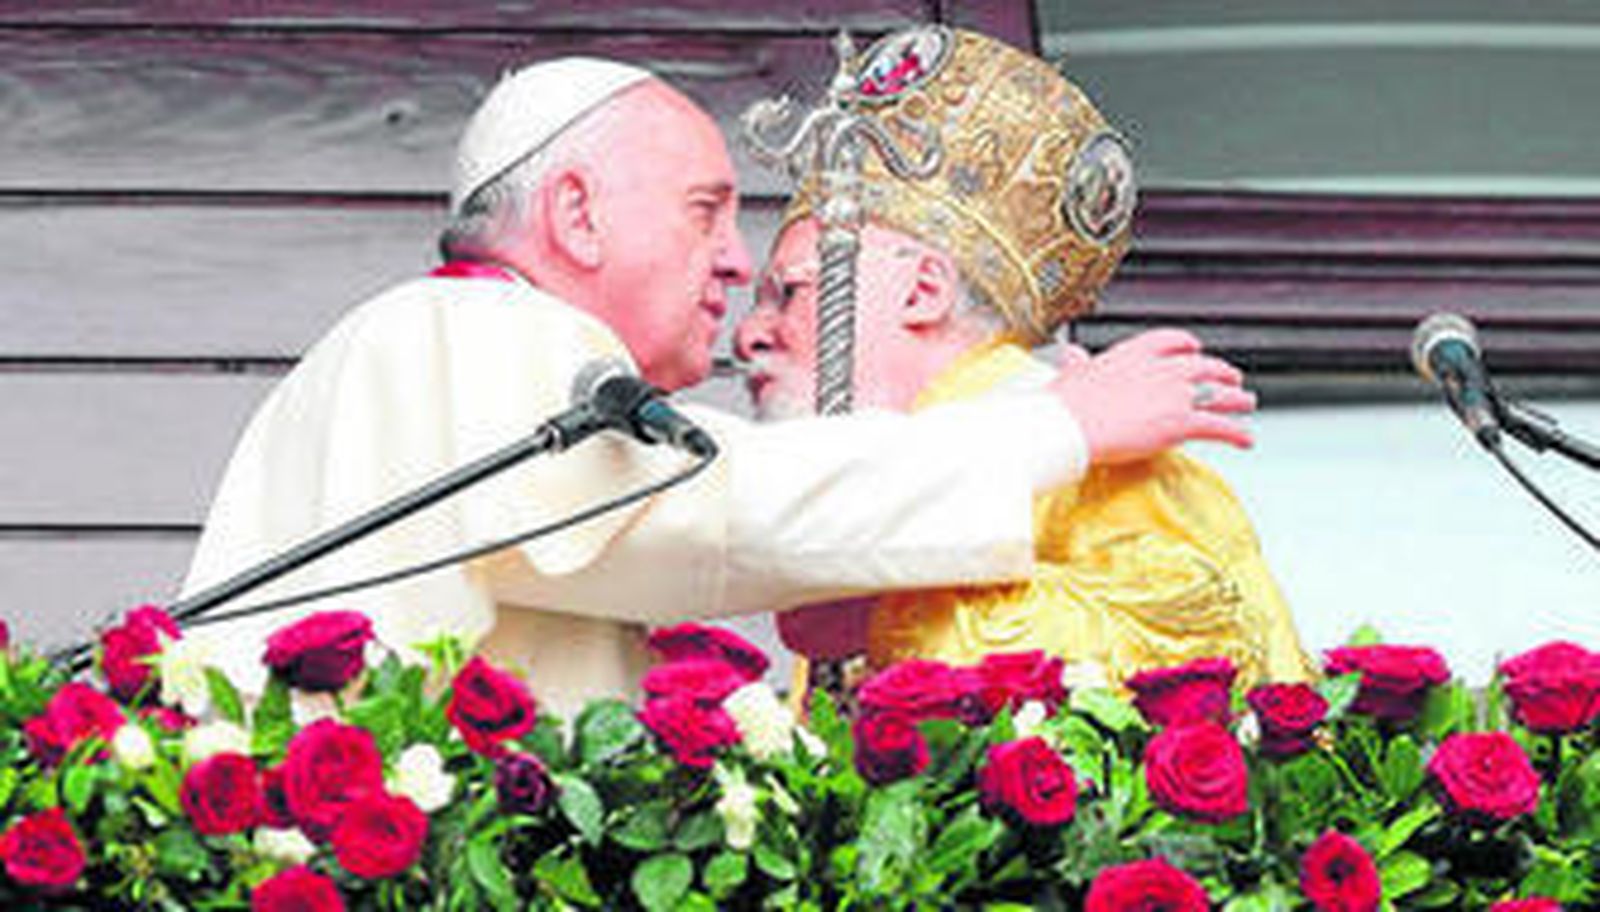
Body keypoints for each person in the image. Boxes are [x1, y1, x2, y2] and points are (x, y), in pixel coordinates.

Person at [182, 56, 1256, 717]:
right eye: (705, 210)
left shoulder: (436, 342)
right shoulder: (466, 329)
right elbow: (701, 506)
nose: (735, 267)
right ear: (576, 214)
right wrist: (1054, 429)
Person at [734, 27, 1314, 688]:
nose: (747, 334)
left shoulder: (1111, 464)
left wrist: (885, 612)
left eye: (788, 292)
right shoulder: (872, 490)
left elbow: (1189, 662)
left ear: (922, 292)